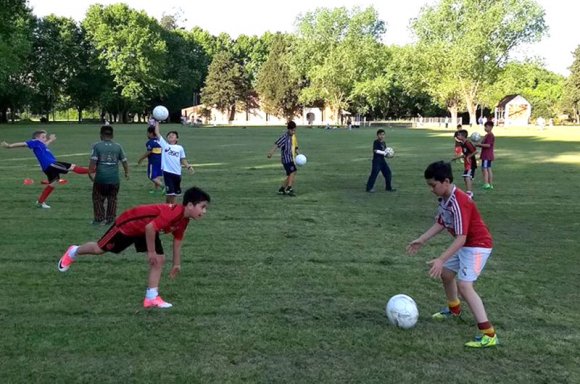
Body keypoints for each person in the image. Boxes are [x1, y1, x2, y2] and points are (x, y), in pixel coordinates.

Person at [58, 186, 211, 309]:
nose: (204, 211)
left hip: (145, 229)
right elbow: (150, 228)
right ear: (190, 205)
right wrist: (151, 252)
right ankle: (73, 251)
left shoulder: (184, 220)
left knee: (159, 260)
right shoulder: (173, 213)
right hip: (128, 225)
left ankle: (151, 298)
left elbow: (177, 241)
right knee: (99, 249)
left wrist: (176, 263)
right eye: (202, 207)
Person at [406, 161, 497, 348]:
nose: (431, 189)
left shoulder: (459, 201)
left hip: (478, 245)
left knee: (465, 285)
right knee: (447, 274)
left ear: (446, 181)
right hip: (467, 245)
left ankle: (489, 334)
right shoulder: (445, 199)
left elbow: (462, 238)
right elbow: (441, 222)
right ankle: (454, 309)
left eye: (433, 185)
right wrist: (422, 239)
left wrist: (441, 259)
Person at [1, 130, 90, 208]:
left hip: (48, 168)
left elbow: (45, 144)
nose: (45, 138)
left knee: (53, 183)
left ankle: (40, 202)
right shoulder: (34, 142)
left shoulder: (40, 145)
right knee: (72, 167)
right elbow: (23, 144)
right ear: (37, 138)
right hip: (51, 165)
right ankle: (94, 170)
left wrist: (50, 140)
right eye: (43, 137)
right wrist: (9, 146)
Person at [89, 125, 129, 225]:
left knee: (98, 198)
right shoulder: (118, 146)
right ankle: (110, 219)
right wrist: (126, 172)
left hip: (101, 178)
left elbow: (92, 164)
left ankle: (99, 219)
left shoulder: (97, 146)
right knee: (112, 198)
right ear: (112, 135)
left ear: (101, 135)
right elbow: (124, 161)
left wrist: (91, 174)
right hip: (114, 179)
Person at [154, 121, 195, 204]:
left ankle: (167, 207)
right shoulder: (165, 145)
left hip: (177, 173)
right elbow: (157, 133)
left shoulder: (180, 148)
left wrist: (188, 166)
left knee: (173, 194)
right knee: (171, 193)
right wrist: (157, 122)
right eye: (169, 135)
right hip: (167, 172)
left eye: (173, 135)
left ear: (177, 139)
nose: (171, 135)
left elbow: (182, 159)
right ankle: (172, 209)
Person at [267, 121, 300, 196]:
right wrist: (271, 153)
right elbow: (277, 144)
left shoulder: (292, 137)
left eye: (294, 130)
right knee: (293, 171)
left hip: (291, 158)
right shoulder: (284, 137)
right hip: (286, 159)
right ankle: (289, 188)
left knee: (291, 174)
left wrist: (298, 154)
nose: (294, 132)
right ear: (288, 129)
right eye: (292, 130)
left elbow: (294, 147)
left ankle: (282, 189)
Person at [365, 129, 395, 193]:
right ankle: (369, 188)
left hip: (382, 161)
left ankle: (388, 188)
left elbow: (385, 152)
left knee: (388, 173)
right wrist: (384, 153)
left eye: (383, 134)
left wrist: (389, 155)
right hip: (376, 161)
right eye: (380, 135)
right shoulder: (376, 142)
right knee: (374, 174)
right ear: (377, 135)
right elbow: (375, 150)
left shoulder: (384, 143)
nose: (382, 136)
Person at [136, 126, 164, 194]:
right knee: (157, 176)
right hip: (161, 161)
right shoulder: (159, 141)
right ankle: (156, 190)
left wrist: (141, 159)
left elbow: (148, 152)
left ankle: (164, 187)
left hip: (153, 162)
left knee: (151, 176)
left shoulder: (150, 142)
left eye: (147, 133)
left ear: (151, 133)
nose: (147, 134)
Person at [453, 129, 477, 198]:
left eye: (459, 135)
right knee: (466, 177)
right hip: (467, 164)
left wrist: (469, 157)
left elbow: (475, 151)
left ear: (463, 136)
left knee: (467, 177)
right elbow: (465, 154)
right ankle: (469, 192)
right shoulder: (463, 143)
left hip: (471, 163)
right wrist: (457, 158)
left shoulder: (467, 143)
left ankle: (469, 193)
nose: (457, 136)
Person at [475, 121, 495, 190]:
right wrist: (480, 143)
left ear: (490, 127)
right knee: (488, 169)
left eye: (486, 127)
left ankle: (486, 184)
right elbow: (484, 144)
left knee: (485, 169)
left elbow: (488, 145)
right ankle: (490, 184)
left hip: (486, 155)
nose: (485, 128)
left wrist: (479, 144)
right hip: (487, 155)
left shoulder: (490, 135)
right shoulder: (487, 135)